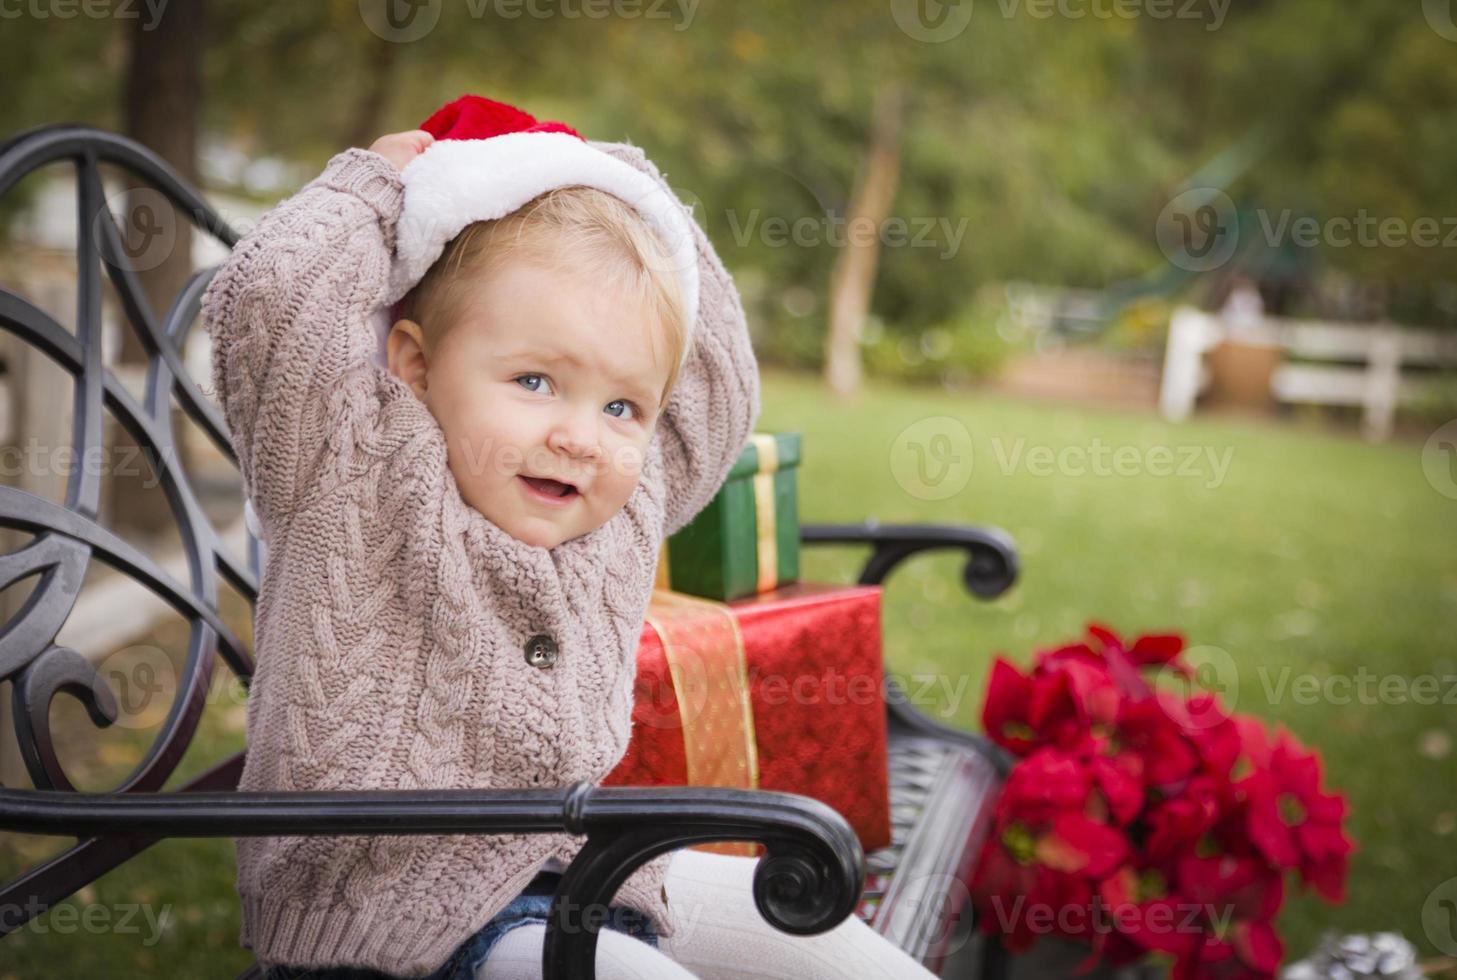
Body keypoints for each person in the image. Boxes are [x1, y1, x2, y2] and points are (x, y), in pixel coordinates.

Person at [203, 94, 935, 980]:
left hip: (585, 871)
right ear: (416, 364)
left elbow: (716, 388)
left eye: (621, 405)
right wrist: (372, 183)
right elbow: (268, 304)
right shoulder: (352, 470)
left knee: (844, 954)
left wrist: (621, 183)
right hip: (391, 924)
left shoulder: (616, 503)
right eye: (535, 381)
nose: (583, 435)